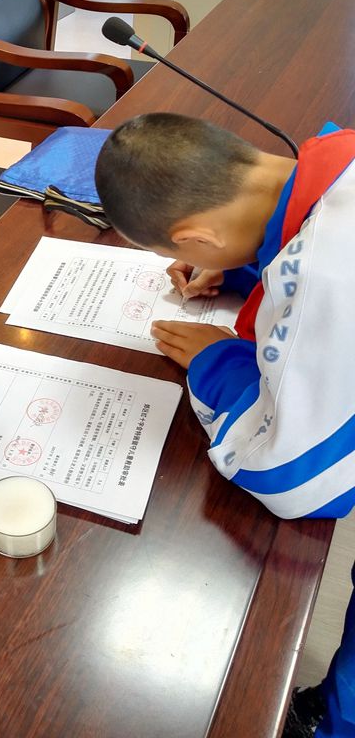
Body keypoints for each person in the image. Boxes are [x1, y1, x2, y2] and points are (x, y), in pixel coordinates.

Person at [95, 112, 355, 738]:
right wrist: (248, 265)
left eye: (177, 250)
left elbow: (296, 479)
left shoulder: (329, 273)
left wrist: (217, 363)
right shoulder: (334, 154)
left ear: (196, 237)